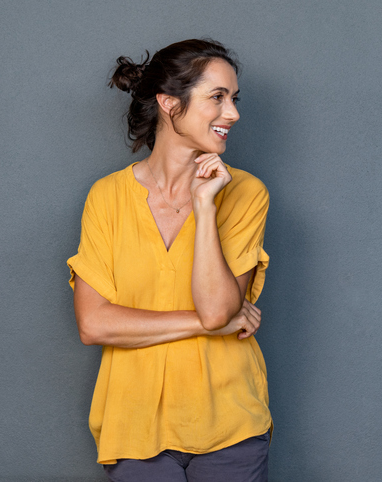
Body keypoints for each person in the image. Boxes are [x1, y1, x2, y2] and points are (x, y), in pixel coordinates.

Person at [66, 39, 272, 481]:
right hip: (134, 425)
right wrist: (208, 324)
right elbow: (94, 324)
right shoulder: (107, 197)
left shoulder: (246, 193)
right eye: (217, 97)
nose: (232, 113)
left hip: (229, 424)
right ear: (168, 103)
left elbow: (219, 308)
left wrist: (204, 206)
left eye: (234, 98)